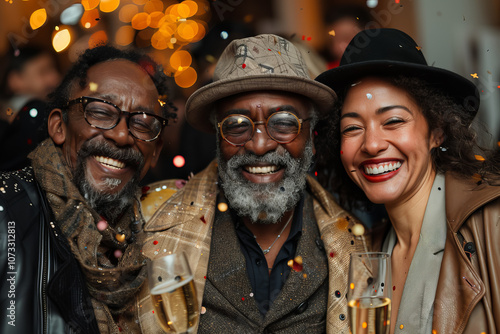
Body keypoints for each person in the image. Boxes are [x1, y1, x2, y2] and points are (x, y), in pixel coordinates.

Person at [136, 34, 366, 333]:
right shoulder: (153, 224)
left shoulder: (353, 243)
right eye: (236, 124)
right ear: (218, 136)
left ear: (310, 135)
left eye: (283, 122)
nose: (259, 145)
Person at [315, 28, 500, 334]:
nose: (372, 144)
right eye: (352, 128)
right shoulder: (365, 251)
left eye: (393, 121)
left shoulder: (491, 224)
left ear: (437, 131)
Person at [0, 45, 176, 333]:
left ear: (155, 152)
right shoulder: (7, 213)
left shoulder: (160, 234)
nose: (121, 135)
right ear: (59, 127)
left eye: (143, 123)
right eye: (101, 112)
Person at [0, 45, 61, 170]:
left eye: (54, 70)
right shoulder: (35, 116)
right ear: (15, 80)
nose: (55, 78)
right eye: (43, 72)